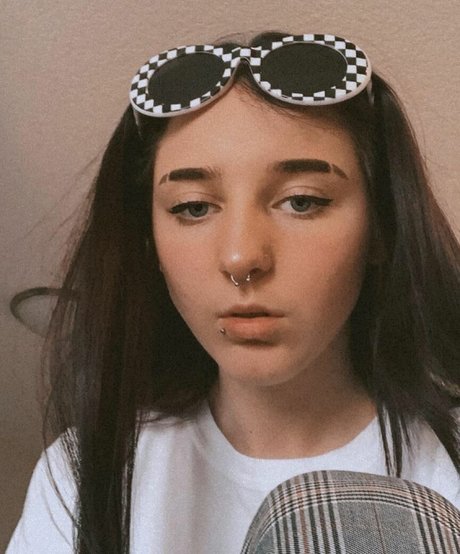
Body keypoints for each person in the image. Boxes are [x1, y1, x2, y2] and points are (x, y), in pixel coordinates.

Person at [6, 30, 460, 553]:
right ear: (148, 241)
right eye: (193, 207)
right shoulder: (83, 476)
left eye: (302, 201)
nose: (241, 257)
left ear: (380, 226)